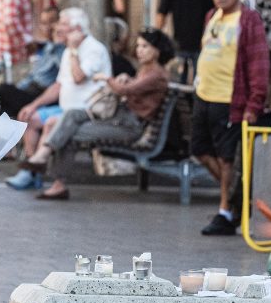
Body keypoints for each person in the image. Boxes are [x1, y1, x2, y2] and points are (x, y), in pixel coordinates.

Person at [21, 29, 174, 200]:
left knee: (69, 134)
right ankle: (43, 154)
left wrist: (106, 78)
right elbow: (133, 88)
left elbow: (124, 90)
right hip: (117, 118)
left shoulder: (157, 74)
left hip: (129, 126)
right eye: (138, 46)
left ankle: (57, 183)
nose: (139, 50)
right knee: (72, 114)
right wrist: (126, 78)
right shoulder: (146, 70)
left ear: (157, 50)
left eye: (145, 46)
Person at [193, 0, 269, 236]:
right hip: (204, 95)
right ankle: (236, 198)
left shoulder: (248, 20)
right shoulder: (211, 16)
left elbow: (259, 63)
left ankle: (225, 210)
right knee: (199, 149)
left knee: (227, 158)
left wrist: (254, 103)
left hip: (230, 99)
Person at [13, 7, 112, 197]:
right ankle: (33, 172)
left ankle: (42, 172)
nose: (57, 27)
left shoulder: (93, 49)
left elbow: (78, 77)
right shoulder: (68, 51)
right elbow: (59, 85)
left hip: (86, 112)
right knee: (30, 118)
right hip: (65, 108)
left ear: (77, 29)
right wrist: (34, 105)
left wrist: (74, 50)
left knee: (52, 123)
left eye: (63, 24)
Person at [0, 6, 65, 189]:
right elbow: (33, 77)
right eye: (44, 23)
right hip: (32, 91)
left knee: (2, 91)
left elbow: (60, 82)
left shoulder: (62, 49)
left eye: (52, 22)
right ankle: (4, 149)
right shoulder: (48, 48)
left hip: (45, 96)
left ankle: (9, 152)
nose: (48, 27)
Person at [156, 0, 214, 83]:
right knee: (199, 83)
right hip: (200, 44)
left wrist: (157, 39)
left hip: (179, 44)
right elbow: (212, 16)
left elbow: (161, 17)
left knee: (178, 83)